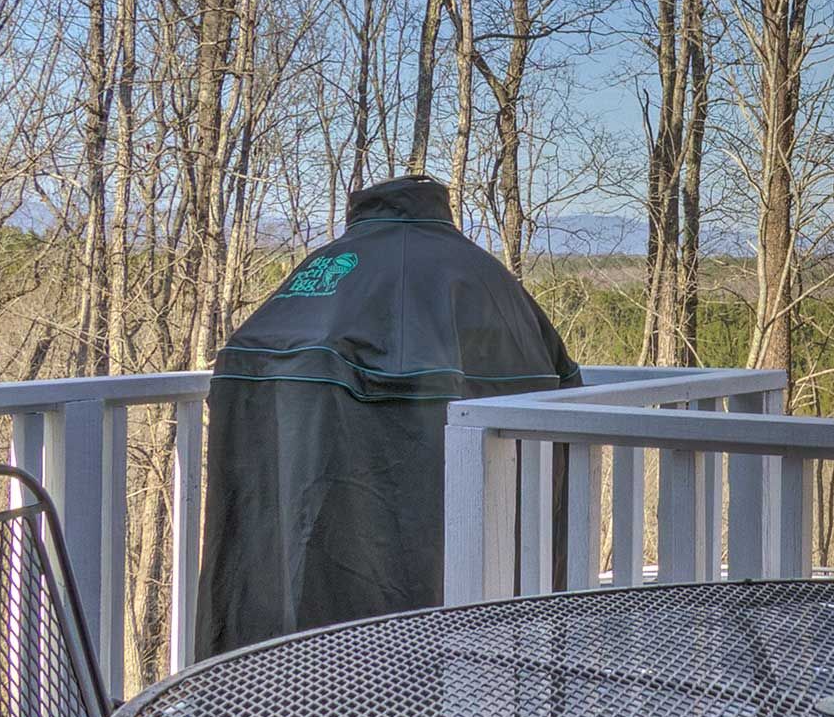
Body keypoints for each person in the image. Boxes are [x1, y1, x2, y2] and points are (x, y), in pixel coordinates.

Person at [197, 173, 578, 657]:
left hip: (306, 646)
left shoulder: (326, 271)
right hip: (491, 622)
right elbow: (563, 377)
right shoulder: (487, 279)